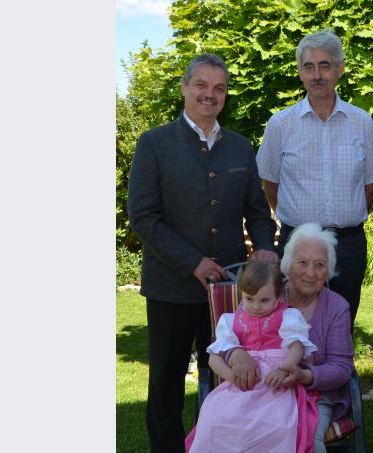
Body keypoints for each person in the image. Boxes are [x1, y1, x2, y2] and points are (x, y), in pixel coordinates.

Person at [127, 53, 278, 453]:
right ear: (185, 87)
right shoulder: (154, 143)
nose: (210, 95)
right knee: (166, 384)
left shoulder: (242, 148)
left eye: (219, 88)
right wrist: (192, 262)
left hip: (229, 292)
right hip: (171, 287)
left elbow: (258, 212)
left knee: (228, 377)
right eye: (202, 86)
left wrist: (264, 245)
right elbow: (143, 216)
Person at [256, 30, 373, 325]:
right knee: (291, 325)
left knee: (341, 323)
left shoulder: (362, 122)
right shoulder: (280, 125)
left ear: (340, 69)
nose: (317, 74)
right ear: (300, 72)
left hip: (348, 245)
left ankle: (338, 372)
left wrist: (350, 214)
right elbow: (270, 184)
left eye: (325, 65)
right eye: (309, 66)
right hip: (296, 243)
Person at [226, 223, 355, 453]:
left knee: (303, 438)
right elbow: (231, 336)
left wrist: (305, 375)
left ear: (329, 270)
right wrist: (237, 354)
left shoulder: (336, 307)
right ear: (287, 265)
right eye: (302, 262)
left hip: (314, 395)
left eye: (319, 265)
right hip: (258, 388)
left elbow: (341, 367)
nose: (310, 273)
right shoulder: (264, 294)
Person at [189, 261, 318, 453]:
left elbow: (297, 347)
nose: (256, 306)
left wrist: (284, 368)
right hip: (240, 384)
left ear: (278, 296)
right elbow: (213, 359)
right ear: (242, 293)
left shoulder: (288, 316)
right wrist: (232, 377)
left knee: (278, 425)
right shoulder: (231, 321)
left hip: (274, 383)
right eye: (249, 299)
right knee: (214, 418)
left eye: (264, 300)